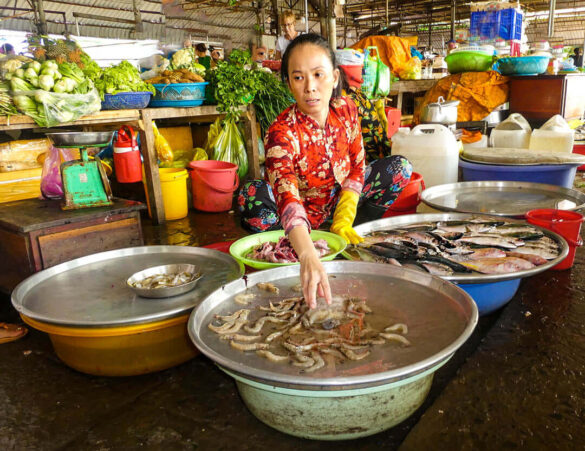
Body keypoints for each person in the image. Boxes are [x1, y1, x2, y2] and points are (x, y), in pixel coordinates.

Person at [238, 33, 412, 308]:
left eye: (318, 74)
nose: (310, 87)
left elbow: (357, 166)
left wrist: (344, 215)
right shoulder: (281, 132)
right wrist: (306, 254)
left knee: (399, 168)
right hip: (300, 218)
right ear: (288, 84)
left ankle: (348, 232)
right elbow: (285, 193)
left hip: (340, 205)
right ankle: (299, 246)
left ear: (334, 76)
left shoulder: (347, 110)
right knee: (250, 195)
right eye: (298, 77)